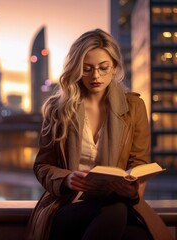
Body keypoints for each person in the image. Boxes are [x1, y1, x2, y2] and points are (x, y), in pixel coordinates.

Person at [26, 29, 173, 240]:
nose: (96, 76)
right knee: (115, 213)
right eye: (87, 69)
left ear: (114, 68)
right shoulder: (58, 109)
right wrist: (67, 179)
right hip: (69, 206)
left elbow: (138, 163)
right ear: (76, 69)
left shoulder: (134, 107)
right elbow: (42, 166)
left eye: (103, 68)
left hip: (118, 203)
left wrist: (132, 189)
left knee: (135, 234)